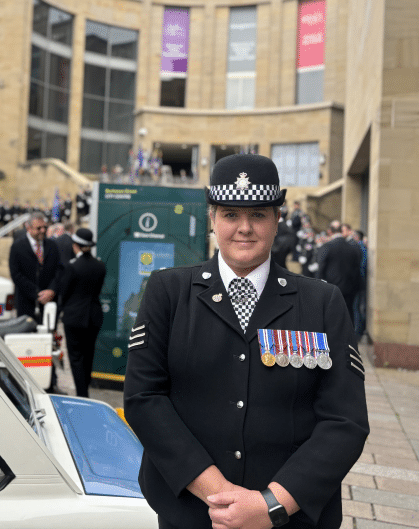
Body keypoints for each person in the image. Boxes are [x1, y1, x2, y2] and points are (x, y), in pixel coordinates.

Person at [124, 153, 369, 529]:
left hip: (291, 518)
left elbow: (345, 421)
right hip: (193, 512)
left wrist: (270, 505)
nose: (244, 228)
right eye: (230, 214)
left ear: (277, 220)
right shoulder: (168, 292)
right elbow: (144, 399)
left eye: (258, 215)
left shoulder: (322, 302)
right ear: (212, 219)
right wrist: (219, 495)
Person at [8, 211, 64, 393]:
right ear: (28, 227)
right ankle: (25, 382)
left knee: (50, 341)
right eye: (38, 228)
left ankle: (51, 381)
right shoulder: (18, 246)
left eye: (44, 227)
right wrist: (36, 293)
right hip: (27, 303)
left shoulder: (52, 246)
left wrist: (52, 291)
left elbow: (59, 271)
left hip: (48, 305)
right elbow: (16, 274)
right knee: (27, 341)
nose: (42, 231)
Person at [58, 228, 106, 398]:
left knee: (76, 358)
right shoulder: (100, 266)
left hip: (74, 318)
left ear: (75, 246)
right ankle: (84, 389)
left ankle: (82, 394)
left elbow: (65, 293)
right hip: (93, 316)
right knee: (88, 355)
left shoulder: (72, 267)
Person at [316, 220, 362, 324]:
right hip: (350, 288)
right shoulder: (353, 248)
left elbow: (321, 268)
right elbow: (357, 267)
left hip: (331, 288)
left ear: (329, 231)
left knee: (331, 315)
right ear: (341, 231)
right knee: (349, 312)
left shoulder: (326, 247)